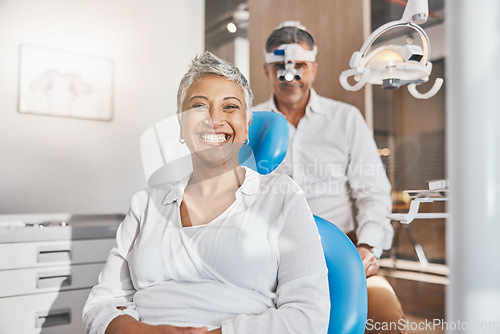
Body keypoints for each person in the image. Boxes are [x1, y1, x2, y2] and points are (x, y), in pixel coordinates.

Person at [82, 51, 330, 334]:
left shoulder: (282, 196)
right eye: (199, 106)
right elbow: (101, 305)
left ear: (247, 125)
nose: (214, 119)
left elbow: (308, 316)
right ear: (180, 124)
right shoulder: (146, 203)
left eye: (230, 107)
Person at [254, 21, 406, 333]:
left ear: (314, 69)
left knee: (387, 321)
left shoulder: (346, 119)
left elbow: (373, 192)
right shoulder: (250, 123)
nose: (290, 75)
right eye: (280, 66)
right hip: (270, 257)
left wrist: (367, 247)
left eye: (300, 65)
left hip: (343, 254)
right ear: (268, 71)